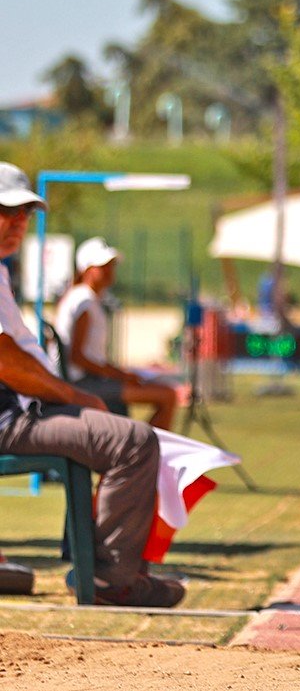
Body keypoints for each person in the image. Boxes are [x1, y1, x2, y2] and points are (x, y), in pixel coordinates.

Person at [0, 166, 181, 606]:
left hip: (28, 406)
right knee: (134, 441)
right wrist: (76, 395)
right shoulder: (80, 299)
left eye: (26, 213)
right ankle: (108, 578)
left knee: (139, 430)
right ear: (89, 269)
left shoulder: (3, 272)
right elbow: (8, 360)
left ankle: (109, 565)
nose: (19, 222)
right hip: (13, 415)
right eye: (8, 211)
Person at [54, 237, 180, 429]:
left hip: (88, 379)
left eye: (111, 265)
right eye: (103, 266)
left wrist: (118, 373)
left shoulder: (84, 298)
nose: (109, 270)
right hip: (84, 383)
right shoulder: (84, 302)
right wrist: (120, 375)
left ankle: (141, 444)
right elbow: (78, 357)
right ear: (87, 270)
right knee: (168, 396)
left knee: (165, 392)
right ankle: (142, 446)